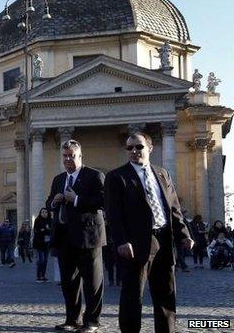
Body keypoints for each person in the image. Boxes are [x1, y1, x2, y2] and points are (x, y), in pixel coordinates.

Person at [105, 132, 193, 333]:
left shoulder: (162, 173)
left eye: (138, 147)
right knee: (132, 296)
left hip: (163, 239)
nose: (134, 151)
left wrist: (184, 235)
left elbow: (173, 208)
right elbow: (114, 213)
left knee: (165, 294)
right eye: (129, 148)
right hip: (134, 245)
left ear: (150, 148)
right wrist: (121, 240)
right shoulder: (116, 177)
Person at [46, 139, 106, 333]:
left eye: (72, 155)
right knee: (69, 282)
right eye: (65, 156)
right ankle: (72, 319)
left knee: (92, 282)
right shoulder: (58, 179)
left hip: (88, 237)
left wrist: (77, 199)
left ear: (80, 156)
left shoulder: (95, 175)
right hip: (64, 237)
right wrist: (54, 202)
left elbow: (103, 201)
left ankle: (92, 322)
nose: (68, 159)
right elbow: (49, 204)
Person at [33, 208, 52, 282]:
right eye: (43, 212)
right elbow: (37, 231)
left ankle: (43, 275)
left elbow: (51, 231)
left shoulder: (50, 220)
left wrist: (44, 230)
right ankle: (38, 275)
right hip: (39, 243)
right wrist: (46, 230)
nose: (44, 213)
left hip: (47, 244)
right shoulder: (37, 220)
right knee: (42, 259)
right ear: (40, 213)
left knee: (45, 260)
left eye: (46, 212)